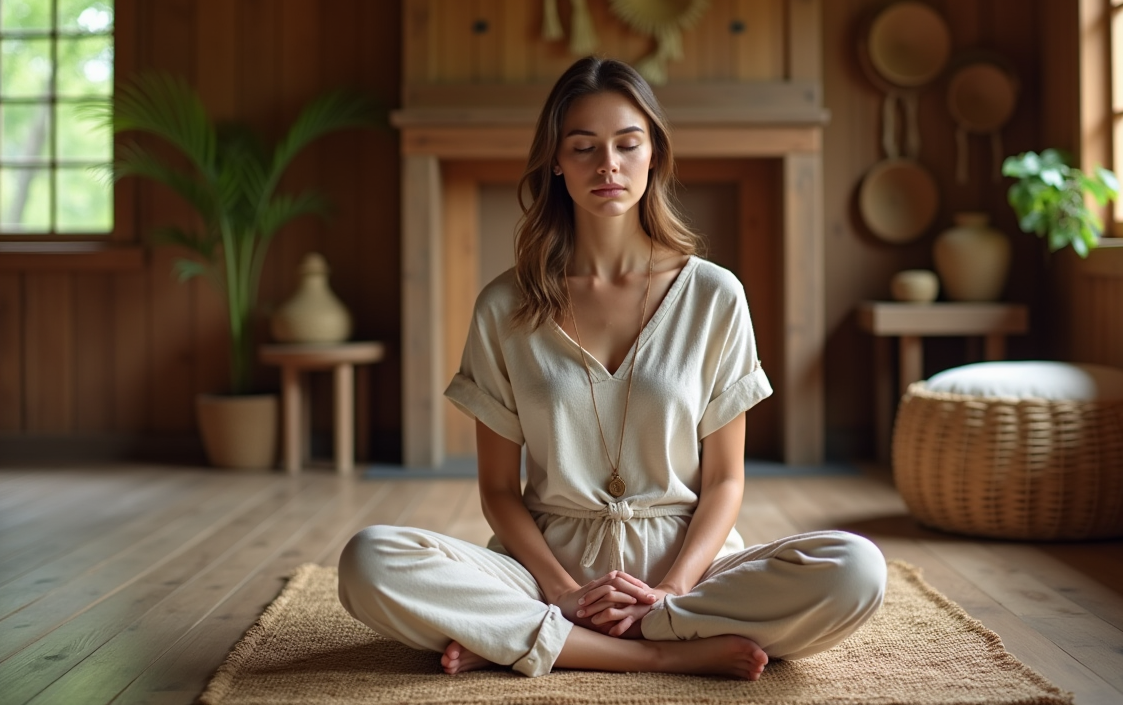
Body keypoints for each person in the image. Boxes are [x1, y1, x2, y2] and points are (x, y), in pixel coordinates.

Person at [338, 57, 886, 681]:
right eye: (584, 147)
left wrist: (672, 592)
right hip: (546, 569)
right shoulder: (504, 306)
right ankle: (657, 653)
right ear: (556, 161)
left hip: (690, 569)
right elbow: (496, 490)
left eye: (628, 144)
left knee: (856, 569)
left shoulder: (714, 296)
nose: (608, 166)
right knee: (370, 560)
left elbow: (726, 481)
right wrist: (563, 592)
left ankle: (534, 642)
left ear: (654, 154)